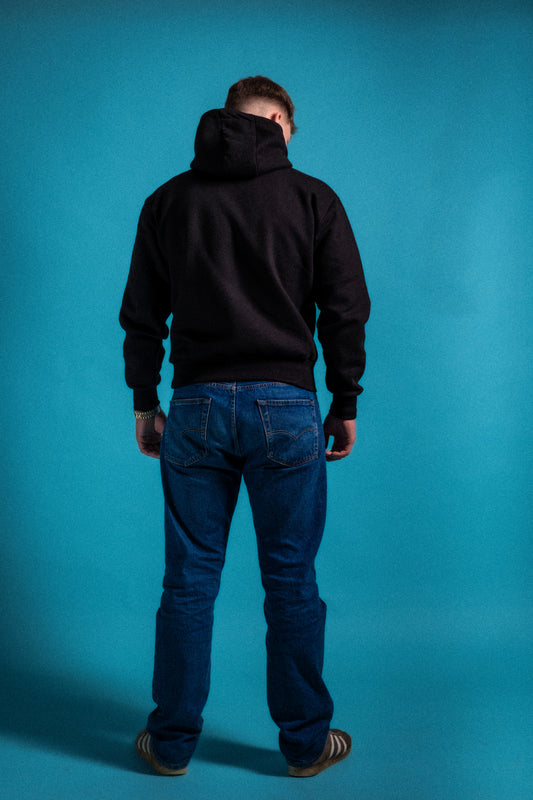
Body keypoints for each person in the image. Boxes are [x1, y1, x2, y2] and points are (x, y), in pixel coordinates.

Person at [119, 75, 370, 778]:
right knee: (290, 581)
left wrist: (144, 401)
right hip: (286, 408)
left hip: (194, 406)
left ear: (228, 123)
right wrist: (344, 401)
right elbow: (345, 308)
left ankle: (170, 744)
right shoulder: (313, 198)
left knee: (188, 582)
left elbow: (142, 313)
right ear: (281, 127)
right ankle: (304, 745)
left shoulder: (169, 201)